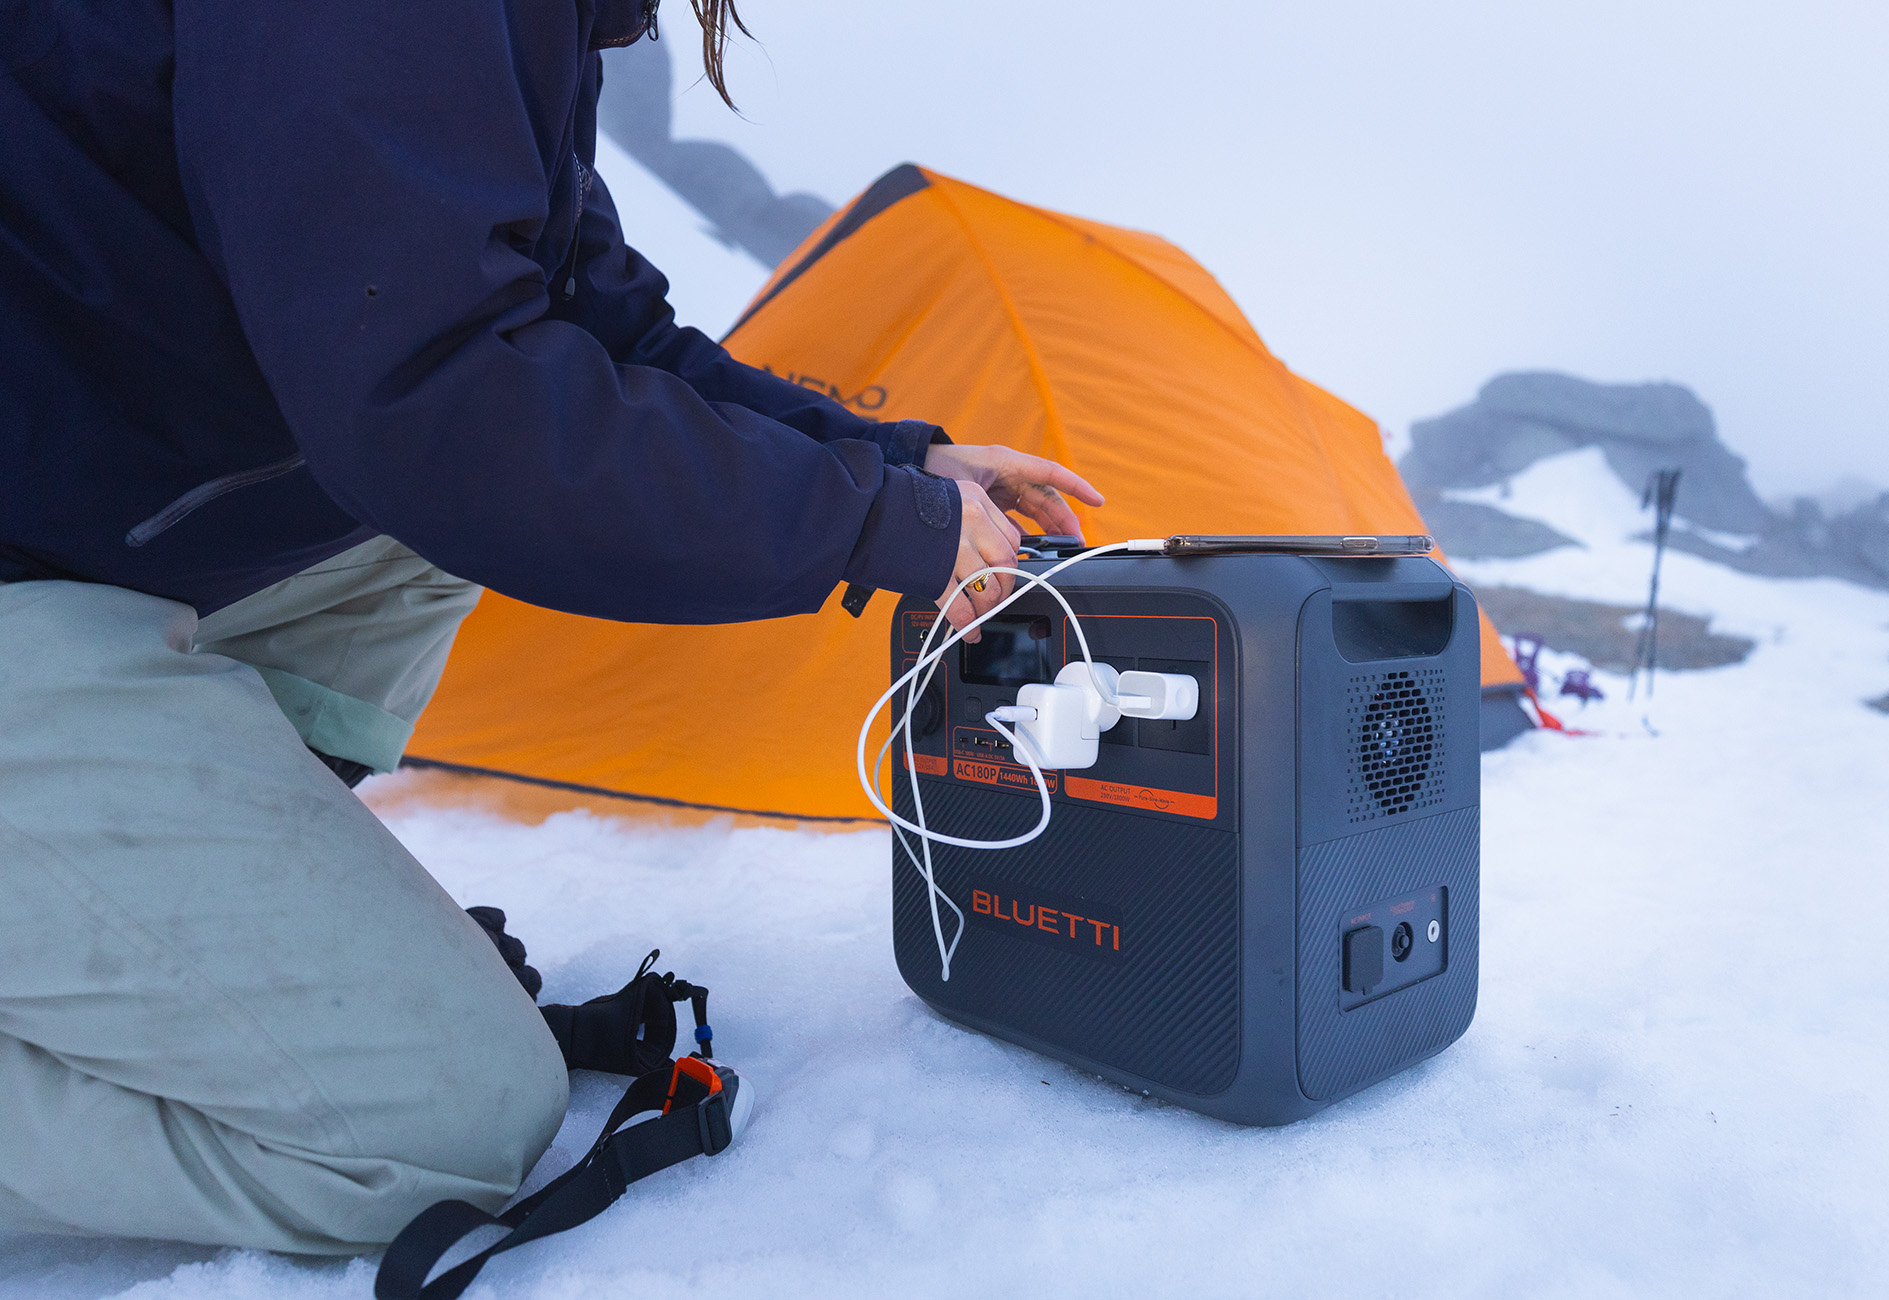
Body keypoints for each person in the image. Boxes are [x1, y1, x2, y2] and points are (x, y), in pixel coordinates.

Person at [0, 0, 1102, 1253]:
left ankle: (150, 921)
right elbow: (439, 400)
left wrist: (893, 462)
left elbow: (587, 333)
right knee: (430, 1128)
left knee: (409, 539)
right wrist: (865, 522)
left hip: (64, 540)